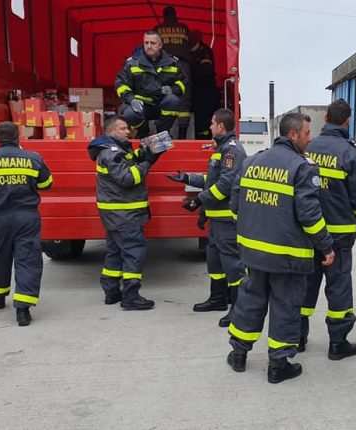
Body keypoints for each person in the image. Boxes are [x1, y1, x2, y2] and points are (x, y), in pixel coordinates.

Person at [226, 112, 335, 384]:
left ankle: (239, 354)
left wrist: (252, 231)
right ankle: (278, 365)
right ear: (293, 135)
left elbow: (235, 204)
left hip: (254, 252)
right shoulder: (303, 167)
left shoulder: (252, 161)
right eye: (307, 133)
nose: (311, 139)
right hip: (287, 255)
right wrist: (326, 246)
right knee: (286, 306)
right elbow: (310, 216)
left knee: (250, 301)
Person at [299, 99, 356, 360]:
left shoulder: (307, 147)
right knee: (339, 285)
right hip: (340, 233)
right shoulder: (352, 153)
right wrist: (353, 216)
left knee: (305, 283)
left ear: (326, 118)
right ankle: (337, 343)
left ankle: (297, 338)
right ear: (347, 121)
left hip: (308, 231)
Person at [166, 108, 247, 326]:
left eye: (212, 123)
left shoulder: (232, 150)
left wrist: (199, 201)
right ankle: (218, 298)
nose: (209, 127)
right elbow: (211, 179)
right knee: (215, 262)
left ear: (221, 126)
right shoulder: (220, 149)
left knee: (233, 265)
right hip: (215, 218)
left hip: (227, 219)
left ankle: (239, 310)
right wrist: (186, 178)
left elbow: (225, 185)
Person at [0, 121, 53, 327]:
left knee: (0, 256)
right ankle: (22, 311)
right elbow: (46, 184)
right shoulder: (33, 158)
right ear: (18, 137)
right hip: (27, 217)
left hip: (0, 217)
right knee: (28, 259)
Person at [87, 116, 162, 311]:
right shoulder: (111, 152)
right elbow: (127, 178)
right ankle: (131, 296)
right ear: (111, 131)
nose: (128, 131)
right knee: (134, 252)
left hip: (116, 213)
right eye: (123, 129)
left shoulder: (114, 149)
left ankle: (111, 292)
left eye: (127, 128)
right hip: (124, 213)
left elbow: (127, 160)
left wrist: (143, 154)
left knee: (115, 253)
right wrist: (148, 163)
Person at [115, 30, 190, 139]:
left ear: (160, 45)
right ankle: (143, 131)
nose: (149, 46)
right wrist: (131, 99)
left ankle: (162, 131)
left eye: (153, 43)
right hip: (141, 105)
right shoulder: (132, 63)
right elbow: (120, 84)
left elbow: (184, 82)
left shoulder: (172, 62)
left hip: (161, 105)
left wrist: (172, 89)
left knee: (173, 101)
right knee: (129, 113)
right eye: (146, 43)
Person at [153, 6, 193, 138]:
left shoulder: (157, 30)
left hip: (164, 66)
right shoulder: (184, 28)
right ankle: (182, 135)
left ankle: (165, 131)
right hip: (183, 65)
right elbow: (191, 45)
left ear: (164, 16)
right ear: (176, 16)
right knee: (184, 98)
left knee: (163, 97)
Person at [188, 30, 220, 140]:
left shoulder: (205, 52)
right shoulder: (186, 51)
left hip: (206, 92)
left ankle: (203, 138)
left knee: (204, 119)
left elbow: (205, 71)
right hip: (193, 91)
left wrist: (188, 72)